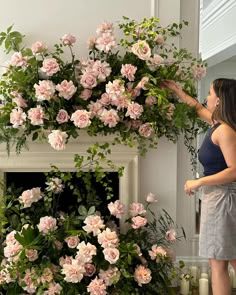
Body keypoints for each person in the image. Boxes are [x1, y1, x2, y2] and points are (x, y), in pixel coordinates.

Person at [162, 78, 236, 295]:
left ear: (220, 101)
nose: (207, 98)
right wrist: (177, 90)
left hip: (223, 200)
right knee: (221, 260)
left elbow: (234, 170)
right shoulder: (218, 125)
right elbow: (196, 108)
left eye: (211, 94)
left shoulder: (225, 131)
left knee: (223, 260)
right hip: (217, 199)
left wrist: (198, 182)